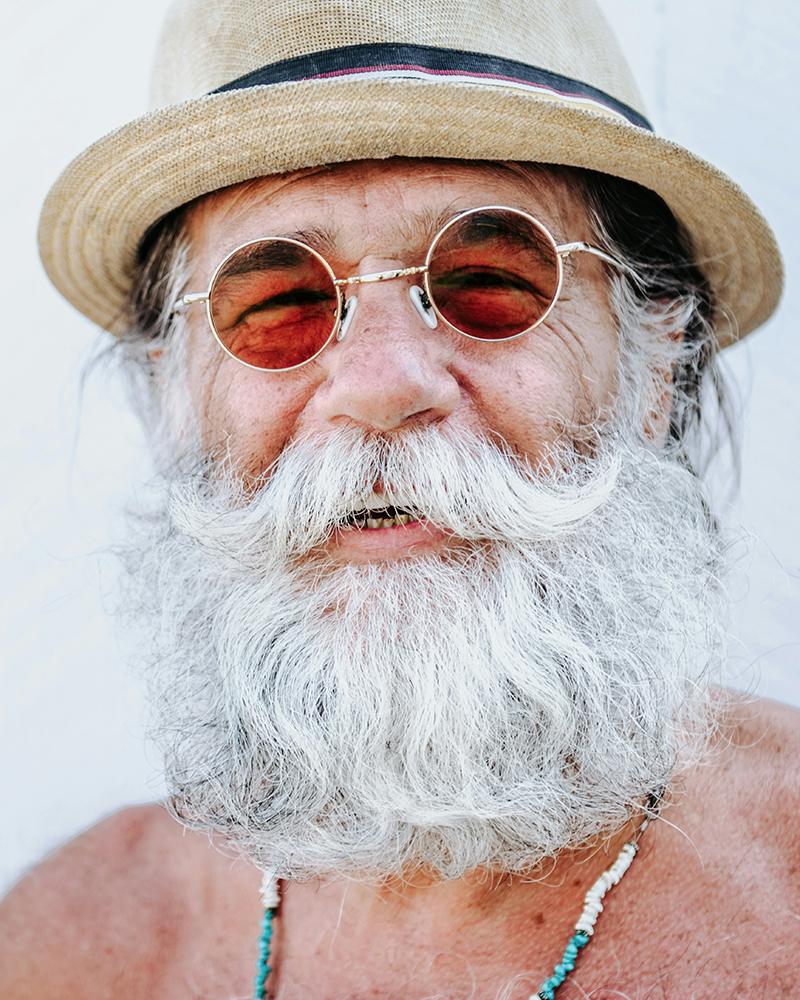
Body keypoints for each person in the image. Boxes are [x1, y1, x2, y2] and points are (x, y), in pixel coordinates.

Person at [2, 0, 798, 996]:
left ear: (653, 369)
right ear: (170, 393)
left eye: (486, 278)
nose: (380, 384)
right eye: (279, 301)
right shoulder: (76, 947)